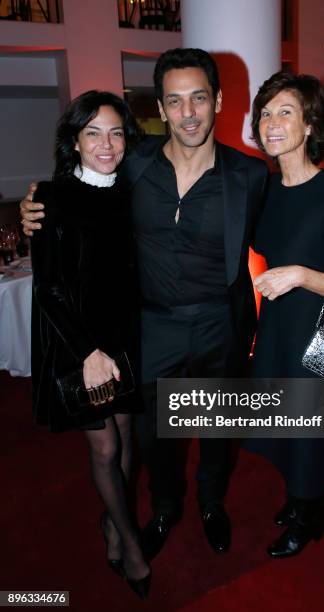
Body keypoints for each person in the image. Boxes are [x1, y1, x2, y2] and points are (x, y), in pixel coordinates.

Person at [21, 48, 269, 560]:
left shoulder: (249, 176)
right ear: (160, 106)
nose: (189, 113)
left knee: (218, 426)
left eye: (199, 98)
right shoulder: (133, 164)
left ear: (218, 100)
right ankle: (164, 506)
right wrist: (36, 206)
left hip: (221, 324)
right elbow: (79, 195)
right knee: (156, 436)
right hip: (151, 327)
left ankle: (210, 501)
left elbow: (285, 230)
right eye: (175, 101)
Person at [30, 90, 150, 599]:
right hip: (81, 346)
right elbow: (49, 288)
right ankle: (129, 542)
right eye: (93, 133)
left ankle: (111, 520)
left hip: (125, 337)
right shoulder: (51, 199)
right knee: (104, 445)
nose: (107, 144)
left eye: (116, 132)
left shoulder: (132, 191)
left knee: (126, 436)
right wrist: (87, 354)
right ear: (74, 141)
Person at [245, 72, 324, 558]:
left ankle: (308, 515)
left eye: (285, 112)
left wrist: (299, 273)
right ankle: (299, 498)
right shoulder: (267, 189)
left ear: (311, 123)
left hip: (320, 332)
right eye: (266, 113)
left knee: (309, 428)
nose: (271, 123)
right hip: (279, 326)